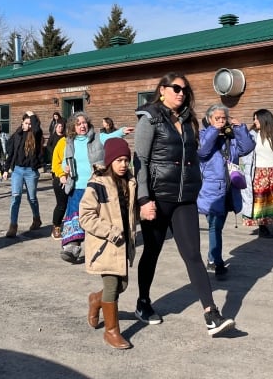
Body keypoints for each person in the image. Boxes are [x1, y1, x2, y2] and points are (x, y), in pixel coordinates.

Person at [133, 72, 235, 337]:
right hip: (158, 196)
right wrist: (144, 198)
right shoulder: (150, 117)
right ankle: (143, 302)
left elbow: (197, 155)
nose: (181, 93)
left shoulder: (189, 120)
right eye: (176, 88)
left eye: (185, 90)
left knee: (193, 255)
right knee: (152, 252)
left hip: (185, 198)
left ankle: (211, 313)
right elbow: (140, 161)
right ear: (162, 89)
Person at [80, 138, 138, 349]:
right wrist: (110, 232)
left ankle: (96, 300)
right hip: (106, 244)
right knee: (113, 286)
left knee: (122, 285)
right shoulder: (98, 184)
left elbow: (130, 212)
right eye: (119, 160)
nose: (123, 164)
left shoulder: (130, 182)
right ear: (110, 161)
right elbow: (85, 216)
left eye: (126, 160)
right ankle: (111, 332)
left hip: (124, 245)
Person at [197, 104, 255, 279]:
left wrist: (240, 129)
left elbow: (247, 148)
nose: (221, 122)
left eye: (224, 118)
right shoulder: (203, 135)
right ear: (209, 119)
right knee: (215, 226)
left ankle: (212, 257)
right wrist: (214, 130)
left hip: (230, 189)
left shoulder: (231, 138)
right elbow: (203, 150)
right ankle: (216, 262)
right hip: (212, 190)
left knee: (218, 227)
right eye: (217, 118)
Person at [59, 112, 123, 263]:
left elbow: (111, 137)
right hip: (75, 186)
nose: (82, 126)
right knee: (74, 217)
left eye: (84, 123)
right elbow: (64, 162)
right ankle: (72, 249)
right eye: (79, 124)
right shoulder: (69, 142)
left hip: (94, 185)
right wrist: (65, 169)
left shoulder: (97, 138)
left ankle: (99, 246)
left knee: (95, 217)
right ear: (73, 127)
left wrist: (122, 131)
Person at [239, 109, 273, 238]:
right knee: (261, 202)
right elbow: (245, 152)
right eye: (254, 119)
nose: (254, 121)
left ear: (264, 119)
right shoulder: (252, 135)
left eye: (256, 118)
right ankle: (263, 228)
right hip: (258, 173)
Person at [2, 111, 45, 237]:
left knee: (31, 198)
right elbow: (12, 153)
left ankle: (36, 219)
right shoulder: (17, 134)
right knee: (15, 197)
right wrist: (6, 169)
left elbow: (36, 128)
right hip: (17, 170)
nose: (28, 125)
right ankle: (13, 226)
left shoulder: (37, 135)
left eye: (30, 123)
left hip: (31, 171)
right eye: (26, 123)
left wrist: (31, 115)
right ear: (22, 123)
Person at [47, 121, 67, 240]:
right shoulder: (62, 142)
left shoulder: (82, 142)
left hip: (78, 179)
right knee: (62, 205)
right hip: (61, 177)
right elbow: (56, 162)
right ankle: (56, 226)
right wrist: (61, 174)